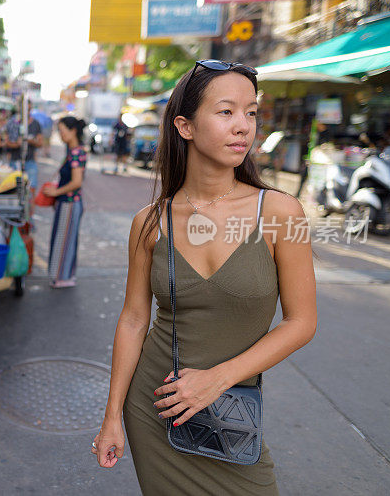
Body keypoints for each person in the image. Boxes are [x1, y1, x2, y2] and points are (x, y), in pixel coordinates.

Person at [92, 60, 317, 494]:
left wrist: (218, 377)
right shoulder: (149, 222)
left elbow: (301, 323)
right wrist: (112, 417)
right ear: (185, 126)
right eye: (226, 111)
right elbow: (134, 320)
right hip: (158, 407)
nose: (243, 127)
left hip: (230, 412)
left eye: (251, 113)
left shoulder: (279, 213)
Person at [43, 116, 88, 288]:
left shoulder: (76, 152)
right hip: (67, 202)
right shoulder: (72, 151)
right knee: (65, 240)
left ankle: (62, 277)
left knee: (64, 241)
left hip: (70, 203)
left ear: (73, 131)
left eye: (62, 131)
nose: (60, 135)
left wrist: (56, 191)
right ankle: (63, 275)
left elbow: (77, 182)